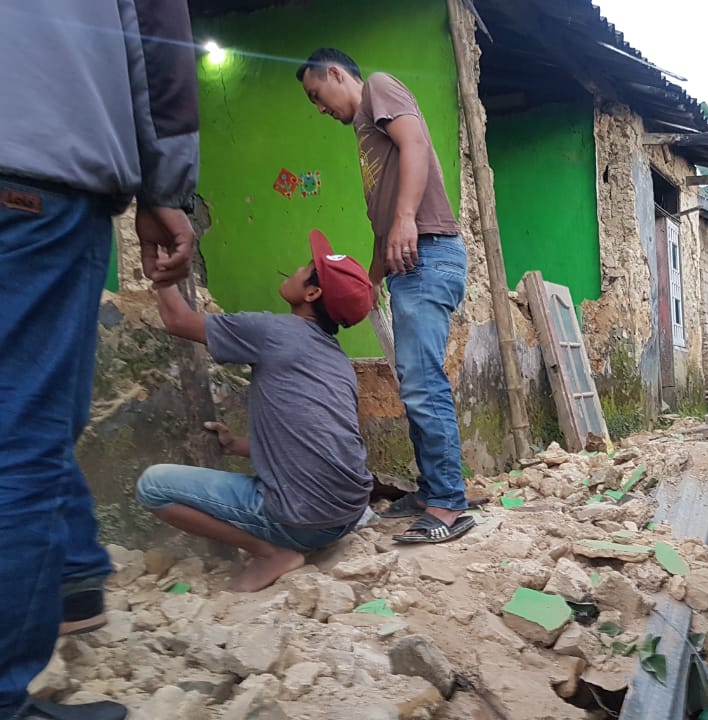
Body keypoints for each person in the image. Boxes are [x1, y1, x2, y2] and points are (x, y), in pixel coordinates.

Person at [0, 2, 199, 718]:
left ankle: (77, 573)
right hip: (36, 165)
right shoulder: (284, 338)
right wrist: (164, 191)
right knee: (24, 430)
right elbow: (159, 43)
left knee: (30, 421)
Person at [296, 48, 474, 544]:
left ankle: (449, 507)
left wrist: (404, 220)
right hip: (407, 264)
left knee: (422, 382)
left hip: (429, 254)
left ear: (335, 74)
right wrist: (371, 281)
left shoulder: (377, 85)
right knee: (414, 380)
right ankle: (432, 489)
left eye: (317, 95)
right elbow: (384, 227)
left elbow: (416, 143)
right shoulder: (366, 138)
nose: (320, 108)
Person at [136, 230, 376, 592]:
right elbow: (310, 438)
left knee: (152, 487)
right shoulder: (338, 360)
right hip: (346, 515)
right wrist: (237, 445)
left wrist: (161, 271)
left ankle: (270, 552)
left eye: (305, 268)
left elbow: (178, 321)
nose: (294, 270)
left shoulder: (273, 331)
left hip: (302, 522)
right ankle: (283, 542)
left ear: (312, 294)